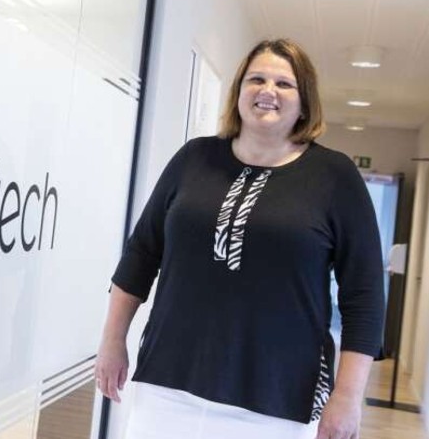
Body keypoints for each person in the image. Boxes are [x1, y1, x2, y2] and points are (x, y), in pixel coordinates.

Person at [94, 38, 384, 439]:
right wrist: (112, 339)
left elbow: (364, 297)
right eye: (256, 79)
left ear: (305, 102)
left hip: (276, 401)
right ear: (239, 91)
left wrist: (348, 396)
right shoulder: (193, 158)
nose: (268, 91)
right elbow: (141, 253)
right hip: (168, 383)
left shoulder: (335, 177)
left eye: (284, 84)